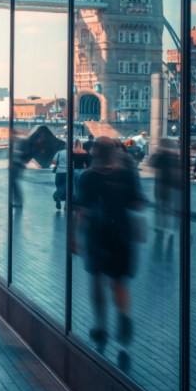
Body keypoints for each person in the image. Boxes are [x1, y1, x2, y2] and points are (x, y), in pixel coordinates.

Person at [75, 138, 146, 347]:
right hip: (122, 234)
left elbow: (83, 211)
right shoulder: (128, 174)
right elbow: (138, 204)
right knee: (119, 282)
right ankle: (124, 315)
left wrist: (73, 237)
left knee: (97, 280)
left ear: (95, 153)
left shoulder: (88, 177)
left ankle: (101, 326)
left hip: (97, 234)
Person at [147, 137, 181, 244]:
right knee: (169, 207)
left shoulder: (161, 154)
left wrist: (157, 152)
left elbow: (151, 163)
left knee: (161, 206)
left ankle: (161, 226)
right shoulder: (174, 155)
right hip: (174, 185)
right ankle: (170, 228)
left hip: (162, 184)